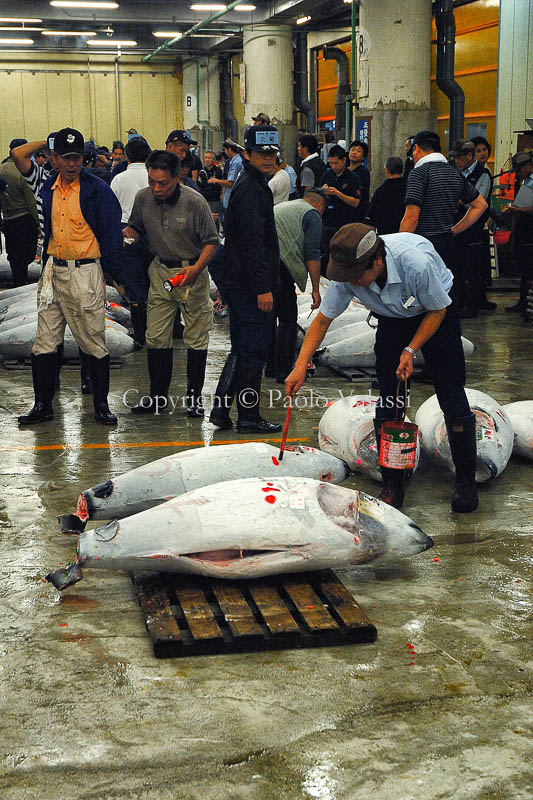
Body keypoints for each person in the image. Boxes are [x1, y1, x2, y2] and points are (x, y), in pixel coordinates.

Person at [286, 223, 480, 514]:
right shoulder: (348, 273)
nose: (353, 283)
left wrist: (411, 349)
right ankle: (393, 483)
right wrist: (300, 365)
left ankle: (466, 481)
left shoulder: (415, 264)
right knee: (390, 400)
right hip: (392, 320)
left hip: (436, 314)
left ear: (377, 261)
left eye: (358, 276)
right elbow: (323, 321)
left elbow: (438, 309)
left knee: (450, 393)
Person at [17, 127, 123, 426]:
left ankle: (101, 406)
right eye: (65, 158)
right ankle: (43, 405)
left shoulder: (97, 189)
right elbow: (18, 157)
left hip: (85, 271)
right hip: (53, 270)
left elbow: (112, 232)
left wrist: (114, 273)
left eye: (77, 158)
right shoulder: (47, 187)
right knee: (44, 341)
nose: (72, 164)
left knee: (93, 340)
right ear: (53, 157)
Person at [122, 150, 219, 417]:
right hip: (162, 274)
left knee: (196, 336)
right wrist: (127, 234)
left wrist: (197, 269)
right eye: (152, 181)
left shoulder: (195, 202)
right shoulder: (143, 198)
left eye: (163, 183)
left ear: (178, 177)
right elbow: (136, 227)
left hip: (191, 274)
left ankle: (194, 399)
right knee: (156, 336)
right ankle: (158, 398)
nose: (157, 188)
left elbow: (212, 242)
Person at [209, 124, 282, 434]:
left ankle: (221, 410)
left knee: (242, 347)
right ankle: (249, 417)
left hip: (241, 283)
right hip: (251, 287)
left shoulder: (250, 182)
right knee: (252, 350)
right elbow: (253, 244)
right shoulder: (252, 188)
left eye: (272, 154)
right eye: (261, 153)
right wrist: (263, 288)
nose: (268, 158)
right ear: (247, 154)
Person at [400, 130, 488, 280]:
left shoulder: (418, 174)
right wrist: (454, 230)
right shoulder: (454, 173)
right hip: (447, 244)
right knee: (446, 288)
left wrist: (400, 246)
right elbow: (480, 205)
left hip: (422, 244)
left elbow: (411, 217)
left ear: (416, 149)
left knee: (425, 294)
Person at [266, 187, 327, 383]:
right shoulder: (312, 214)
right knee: (288, 318)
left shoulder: (286, 206)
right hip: (280, 264)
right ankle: (283, 370)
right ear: (319, 204)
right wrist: (316, 289)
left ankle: (270, 366)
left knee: (270, 315)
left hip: (262, 261)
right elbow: (312, 252)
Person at [110, 136, 152, 345]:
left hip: (127, 234)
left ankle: (141, 335)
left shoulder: (118, 179)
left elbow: (112, 210)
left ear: (126, 157)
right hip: (154, 234)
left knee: (135, 287)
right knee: (156, 283)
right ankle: (159, 331)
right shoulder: (153, 177)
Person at [449, 138, 495, 317]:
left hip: (474, 229)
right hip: (458, 227)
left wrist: (461, 199)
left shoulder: (482, 173)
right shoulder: (456, 173)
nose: (456, 161)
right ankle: (459, 302)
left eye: (459, 158)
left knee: (472, 268)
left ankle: (472, 305)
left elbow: (477, 202)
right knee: (458, 267)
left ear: (469, 156)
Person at [0, 138, 39, 287]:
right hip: (24, 220)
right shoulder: (24, 172)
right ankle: (22, 284)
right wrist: (39, 222)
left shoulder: (1, 168)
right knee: (25, 256)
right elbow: (31, 201)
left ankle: (17, 281)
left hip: (8, 220)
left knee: (13, 255)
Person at [503, 151, 533, 320]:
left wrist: (519, 209)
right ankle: (522, 301)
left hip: (530, 227)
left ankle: (527, 304)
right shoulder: (526, 181)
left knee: (529, 267)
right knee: (523, 266)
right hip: (523, 227)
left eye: (522, 167)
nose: (520, 171)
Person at [365, 156, 406, 235]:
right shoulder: (409, 187)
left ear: (386, 170)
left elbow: (372, 218)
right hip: (407, 233)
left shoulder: (381, 191)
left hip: (386, 235)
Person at [207, 139, 243, 223]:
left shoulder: (236, 162)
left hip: (232, 197)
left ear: (230, 149)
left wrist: (215, 180)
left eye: (226, 150)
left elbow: (230, 182)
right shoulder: (236, 160)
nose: (225, 152)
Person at [347, 140, 370, 218]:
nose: (354, 152)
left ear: (363, 157)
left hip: (357, 212)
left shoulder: (363, 172)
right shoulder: (344, 170)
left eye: (358, 151)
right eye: (352, 150)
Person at [197, 150, 223, 216]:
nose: (207, 160)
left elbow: (218, 186)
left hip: (215, 200)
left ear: (214, 160)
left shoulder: (218, 171)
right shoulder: (202, 172)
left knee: (215, 221)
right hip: (204, 200)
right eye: (206, 157)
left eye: (209, 158)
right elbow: (200, 185)